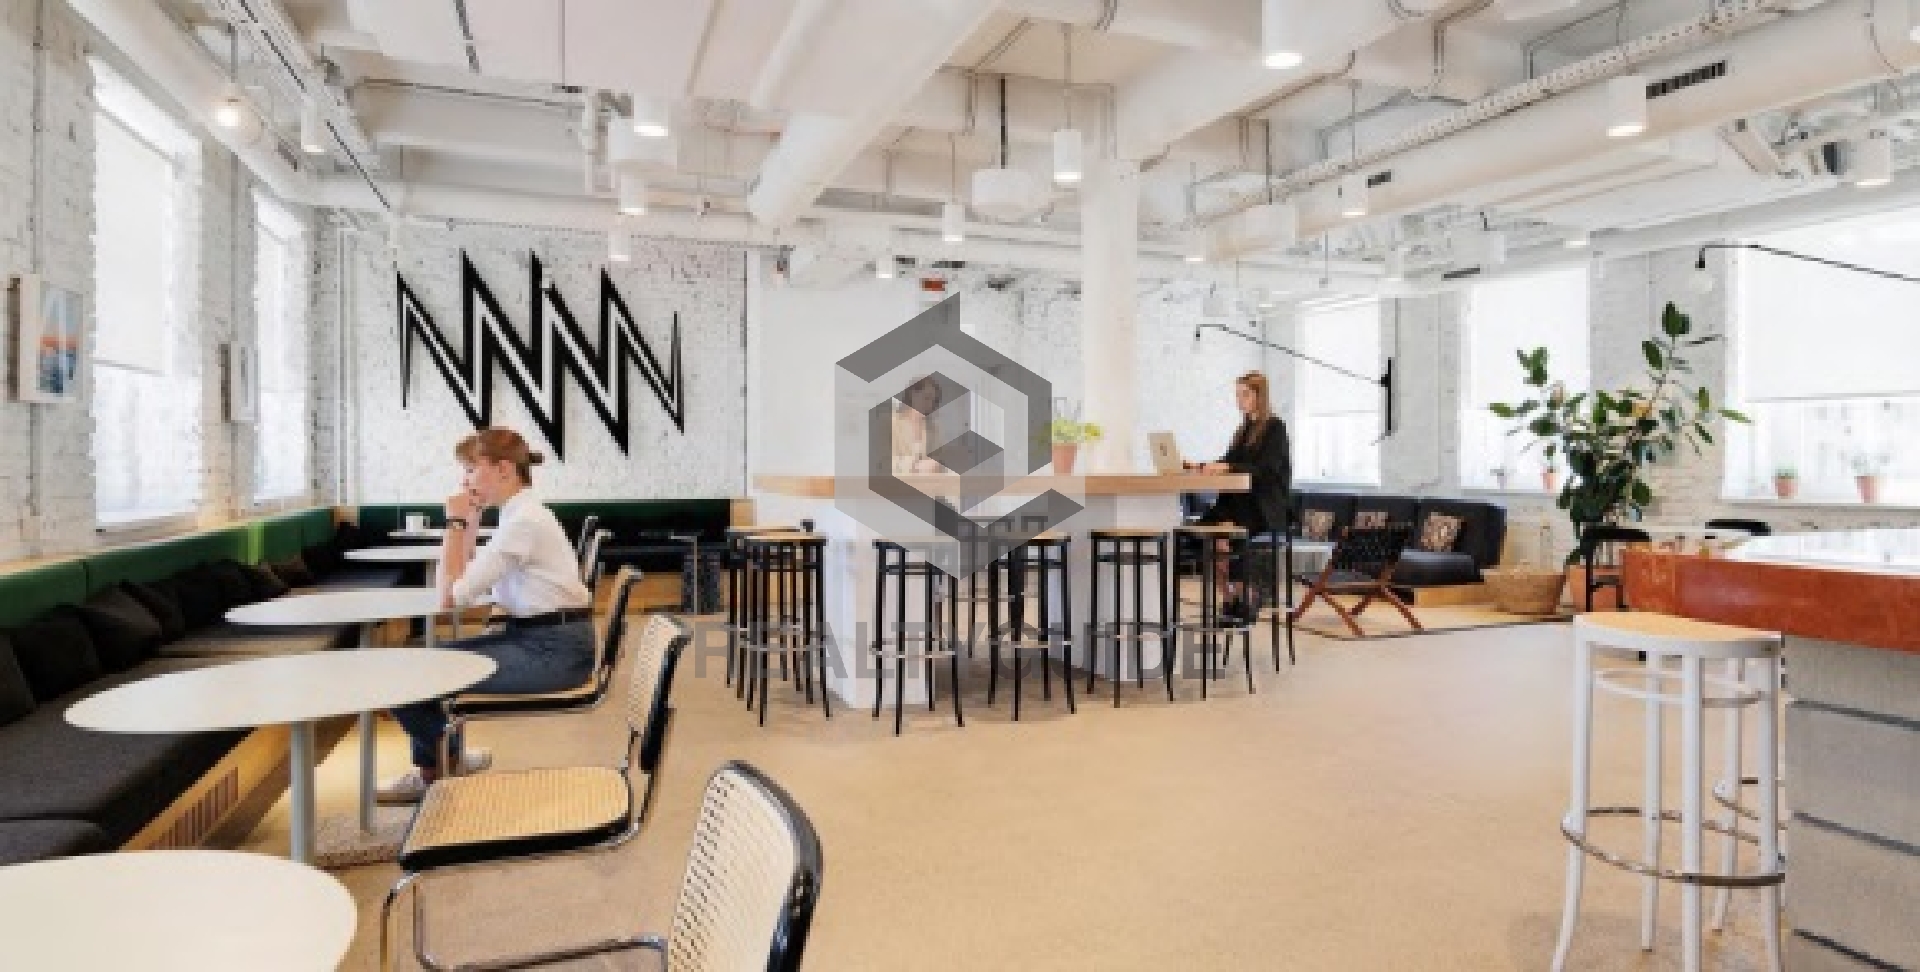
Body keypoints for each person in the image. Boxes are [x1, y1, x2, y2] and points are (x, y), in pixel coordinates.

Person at [378, 427, 596, 804]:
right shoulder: (519, 516)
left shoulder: (524, 523)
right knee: (413, 668)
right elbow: (463, 577)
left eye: (470, 470)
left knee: (407, 677)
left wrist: (455, 521)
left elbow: (448, 597)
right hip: (539, 638)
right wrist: (471, 516)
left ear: (504, 469)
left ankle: (439, 769)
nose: (464, 481)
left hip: (554, 652)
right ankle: (447, 759)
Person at [1187, 371, 1292, 622]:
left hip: (1263, 505)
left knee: (1225, 534)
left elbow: (1266, 469)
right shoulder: (1243, 430)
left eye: (1245, 394)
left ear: (1259, 396)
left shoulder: (1275, 427)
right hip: (1238, 502)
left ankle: (1245, 597)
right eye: (1237, 395)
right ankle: (1230, 597)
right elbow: (1229, 461)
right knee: (1207, 536)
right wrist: (1203, 466)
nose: (1239, 400)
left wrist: (1227, 467)